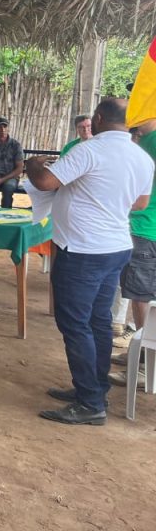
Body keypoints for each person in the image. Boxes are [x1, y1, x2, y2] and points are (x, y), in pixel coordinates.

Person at [26, 98, 153, 425]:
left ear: (97, 118)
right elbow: (140, 203)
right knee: (97, 321)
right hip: (115, 248)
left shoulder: (89, 150)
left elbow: (45, 182)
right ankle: (94, 388)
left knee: (75, 323)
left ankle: (90, 402)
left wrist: (33, 165)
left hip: (82, 251)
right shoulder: (141, 157)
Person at [108, 116, 156, 387]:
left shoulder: (151, 141)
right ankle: (140, 354)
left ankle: (146, 366)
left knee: (142, 299)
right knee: (142, 297)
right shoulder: (145, 140)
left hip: (144, 229)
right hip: (144, 228)